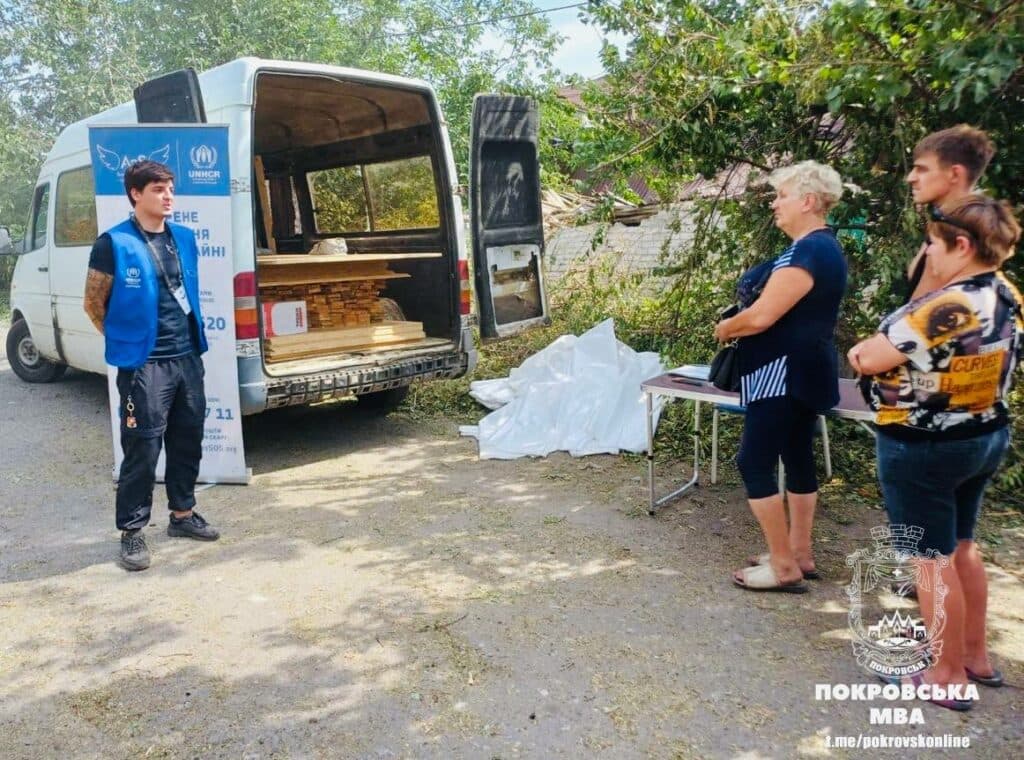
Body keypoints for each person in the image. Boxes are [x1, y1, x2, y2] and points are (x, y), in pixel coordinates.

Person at [848, 196, 1021, 709]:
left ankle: (944, 676)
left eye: (932, 244)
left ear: (961, 245)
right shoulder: (1006, 293)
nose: (927, 254)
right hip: (983, 436)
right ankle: (974, 656)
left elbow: (870, 356)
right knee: (962, 545)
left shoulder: (946, 307)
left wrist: (860, 351)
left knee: (929, 559)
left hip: (923, 447)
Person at [714, 160, 847, 592]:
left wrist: (727, 327)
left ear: (808, 201)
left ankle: (784, 566)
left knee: (753, 461)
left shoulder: (807, 251)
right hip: (808, 371)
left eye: (781, 195)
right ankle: (799, 552)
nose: (775, 204)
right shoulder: (826, 248)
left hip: (781, 373)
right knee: (797, 457)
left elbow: (762, 316)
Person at [84, 160, 220, 571]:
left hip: (187, 357)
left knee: (187, 437)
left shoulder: (184, 238)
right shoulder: (113, 243)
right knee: (142, 447)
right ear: (135, 194)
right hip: (145, 365)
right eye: (158, 189)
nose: (168, 196)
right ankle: (131, 531)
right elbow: (93, 303)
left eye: (170, 188)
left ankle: (182, 514)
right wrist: (126, 339)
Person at [904, 125, 995, 301]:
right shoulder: (948, 226)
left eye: (922, 169)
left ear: (954, 174)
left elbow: (922, 310)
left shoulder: (957, 240)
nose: (911, 178)